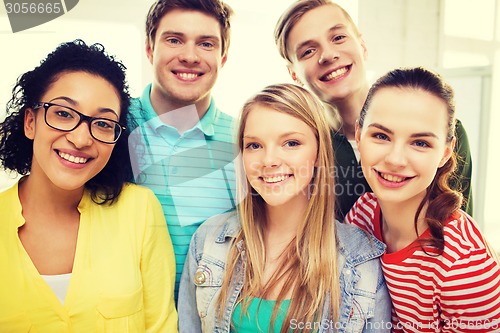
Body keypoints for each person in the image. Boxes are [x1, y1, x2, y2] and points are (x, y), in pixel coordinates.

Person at [178, 84, 391, 333]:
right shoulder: (209, 242)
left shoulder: (361, 259)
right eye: (254, 146)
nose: (269, 161)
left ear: (319, 151)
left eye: (291, 143)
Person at [0, 40, 177, 332]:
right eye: (64, 114)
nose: (81, 139)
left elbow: (161, 326)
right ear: (30, 122)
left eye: (104, 123)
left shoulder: (139, 210)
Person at [274, 0, 473, 220]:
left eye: (338, 38)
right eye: (308, 51)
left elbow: (462, 235)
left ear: (363, 46)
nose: (328, 55)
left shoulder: (440, 132)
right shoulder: (299, 147)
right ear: (293, 74)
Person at [346, 67, 500, 332]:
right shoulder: (362, 214)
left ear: (445, 153)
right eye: (381, 136)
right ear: (359, 136)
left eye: (420, 143)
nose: (395, 159)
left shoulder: (462, 265)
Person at [127, 0, 237, 298]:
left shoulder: (245, 140)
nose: (190, 56)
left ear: (223, 57)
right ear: (150, 49)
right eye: (174, 40)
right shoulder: (110, 126)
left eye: (206, 44)